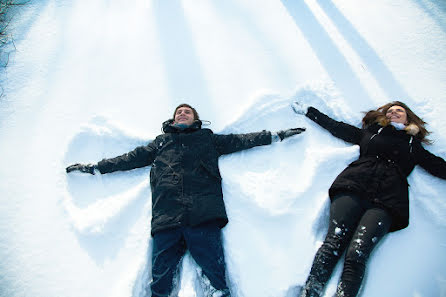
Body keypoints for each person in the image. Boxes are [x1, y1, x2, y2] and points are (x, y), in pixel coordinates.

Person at [66, 103, 305, 297]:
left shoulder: (207, 138)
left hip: (203, 214)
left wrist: (276, 135)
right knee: (160, 283)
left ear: (195, 119)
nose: (182, 114)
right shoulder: (160, 143)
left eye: (187, 112)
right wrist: (95, 167)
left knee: (216, 277)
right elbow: (128, 159)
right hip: (166, 218)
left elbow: (242, 140)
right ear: (172, 120)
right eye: (178, 112)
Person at [292, 101, 446, 297]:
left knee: (357, 254)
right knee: (333, 243)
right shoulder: (372, 132)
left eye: (399, 111)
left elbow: (438, 166)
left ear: (408, 118)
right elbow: (338, 127)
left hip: (388, 199)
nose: (394, 113)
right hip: (354, 185)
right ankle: (310, 293)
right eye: (390, 111)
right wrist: (310, 111)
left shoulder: (413, 145)